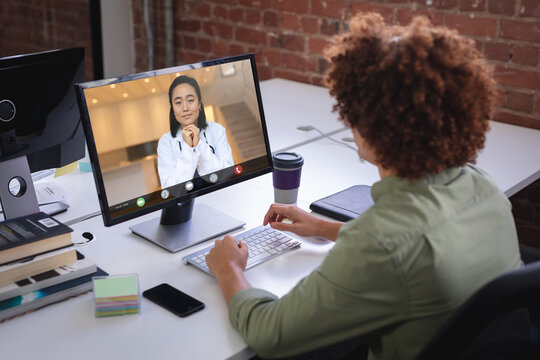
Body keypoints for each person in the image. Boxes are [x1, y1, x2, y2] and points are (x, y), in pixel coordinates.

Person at [205, 13, 523, 360]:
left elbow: (270, 333)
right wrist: (324, 227)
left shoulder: (381, 244)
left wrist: (229, 269)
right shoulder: (482, 187)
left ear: (371, 126)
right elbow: (417, 247)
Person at [157, 75, 233, 188]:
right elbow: (171, 190)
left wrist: (199, 145)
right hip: (186, 204)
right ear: (172, 109)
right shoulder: (166, 142)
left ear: (199, 103)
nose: (185, 108)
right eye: (178, 102)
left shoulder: (216, 130)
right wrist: (187, 148)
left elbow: (227, 175)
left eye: (190, 100)